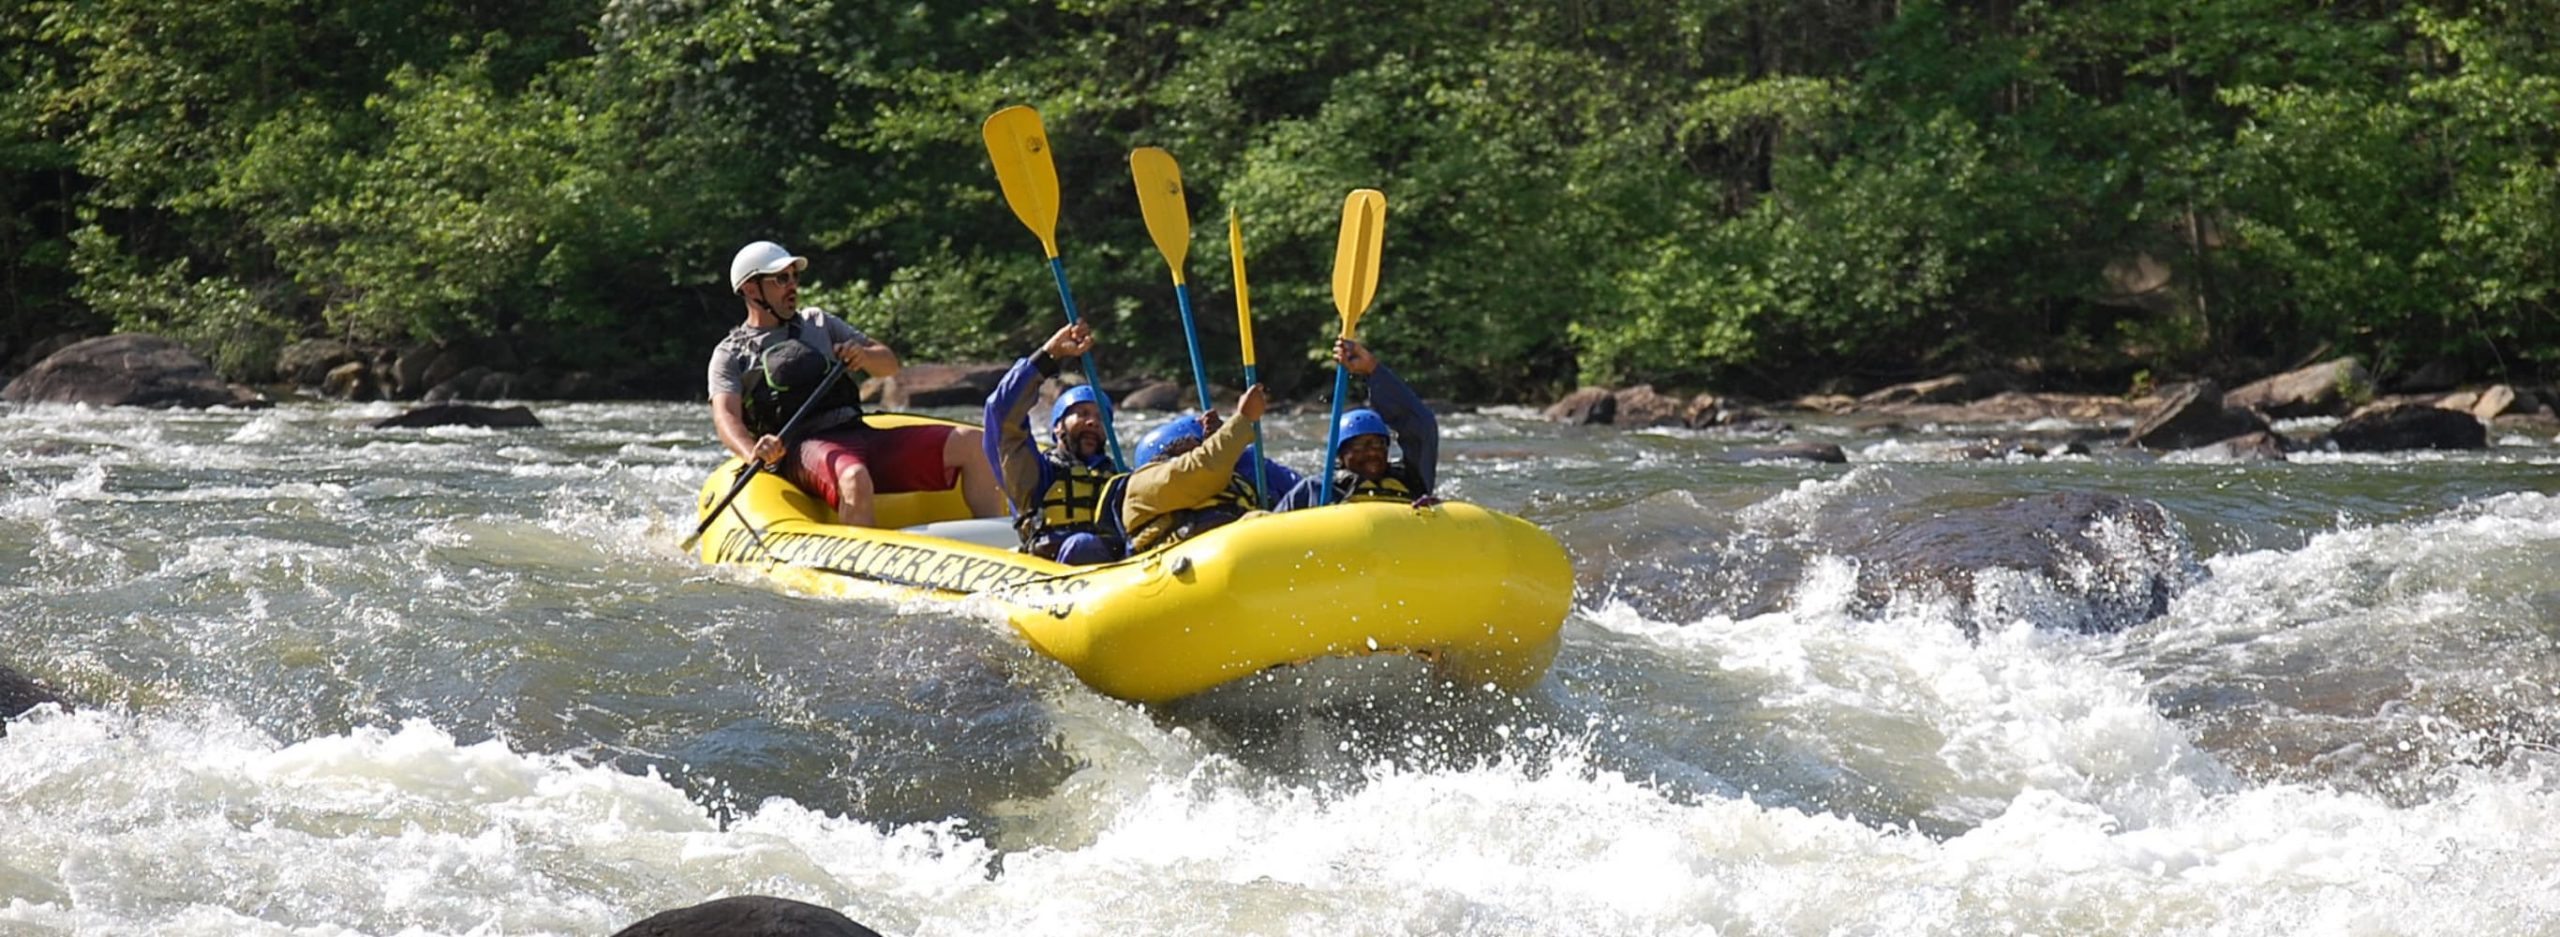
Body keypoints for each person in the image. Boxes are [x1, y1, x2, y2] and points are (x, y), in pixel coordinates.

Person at [706, 240, 1005, 527]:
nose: (793, 286)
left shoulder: (819, 322)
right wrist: (752, 452)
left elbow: (888, 364)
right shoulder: (732, 354)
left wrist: (863, 356)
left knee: (973, 444)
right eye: (781, 279)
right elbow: (726, 417)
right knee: (854, 477)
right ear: (749, 288)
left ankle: (1001, 542)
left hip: (856, 432)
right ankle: (863, 573)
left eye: (794, 276)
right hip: (801, 446)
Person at [983, 321, 1124, 564]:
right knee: (1082, 546)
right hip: (1053, 568)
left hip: (1112, 569)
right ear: (1057, 426)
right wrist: (1049, 356)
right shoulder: (1035, 473)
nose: (1092, 422)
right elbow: (1001, 414)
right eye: (1082, 414)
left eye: (1101, 418)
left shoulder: (1119, 477)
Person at [1275, 339, 1437, 510]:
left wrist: (1372, 369)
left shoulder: (1410, 480)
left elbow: (1421, 425)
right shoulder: (1317, 489)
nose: (1371, 452)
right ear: (1341, 456)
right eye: (1359, 446)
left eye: (1377, 444)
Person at [1116, 385, 1273, 553]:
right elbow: (1202, 468)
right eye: (1192, 448)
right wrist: (1243, 418)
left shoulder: (1232, 477)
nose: (1201, 449)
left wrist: (1223, 437)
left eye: (1203, 446)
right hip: (1189, 555)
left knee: (1305, 489)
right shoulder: (1142, 483)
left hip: (1240, 537)